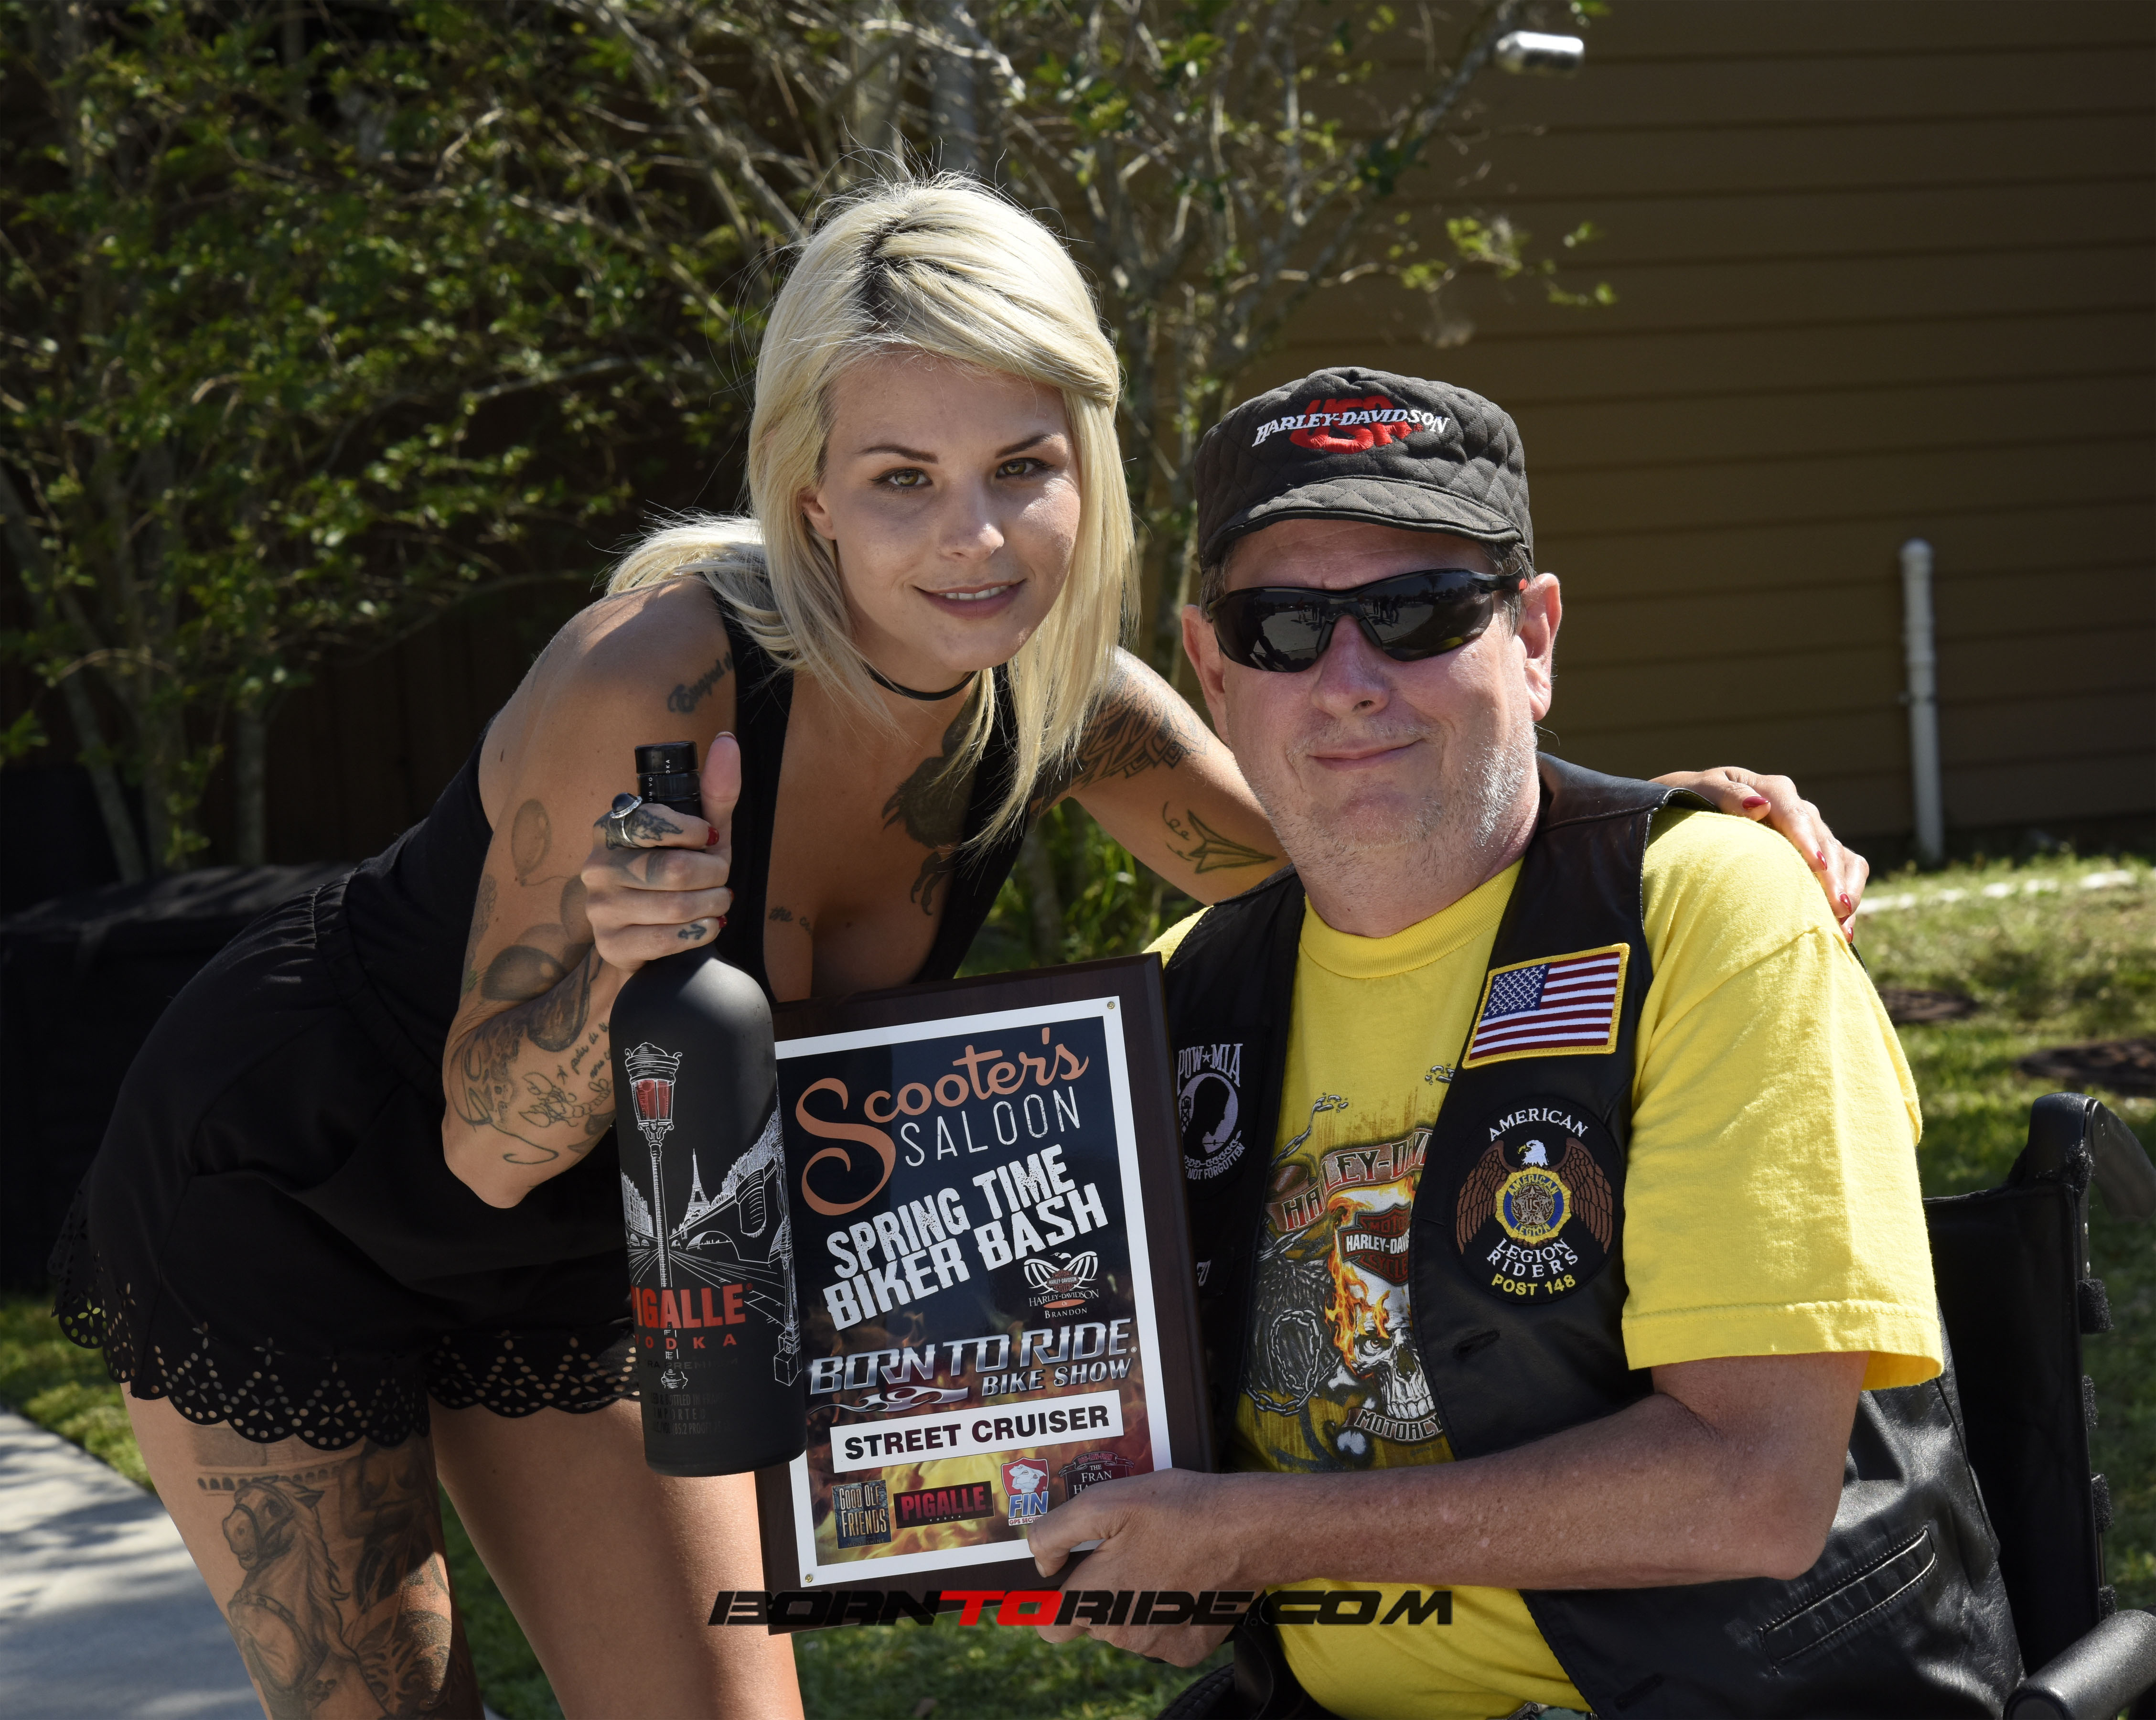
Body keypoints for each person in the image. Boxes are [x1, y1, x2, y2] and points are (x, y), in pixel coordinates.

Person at [52, 177, 1864, 1720]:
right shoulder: (659, 679)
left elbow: (1345, 842)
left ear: (1089, 467)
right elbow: (487, 1146)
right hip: (304, 1182)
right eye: (901, 479)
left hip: (629, 1246)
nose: (974, 538)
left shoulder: (1068, 707)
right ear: (812, 499)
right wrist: (614, 962)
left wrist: (1652, 820)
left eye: (1021, 467)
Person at [1025, 368, 2018, 1718]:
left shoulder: (1699, 911)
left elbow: (1753, 1486)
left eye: (1419, 611)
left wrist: (1246, 1537)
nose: (1348, 681)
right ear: (1212, 668)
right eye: (1282, 628)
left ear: (1533, 638)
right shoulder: (1169, 1005)